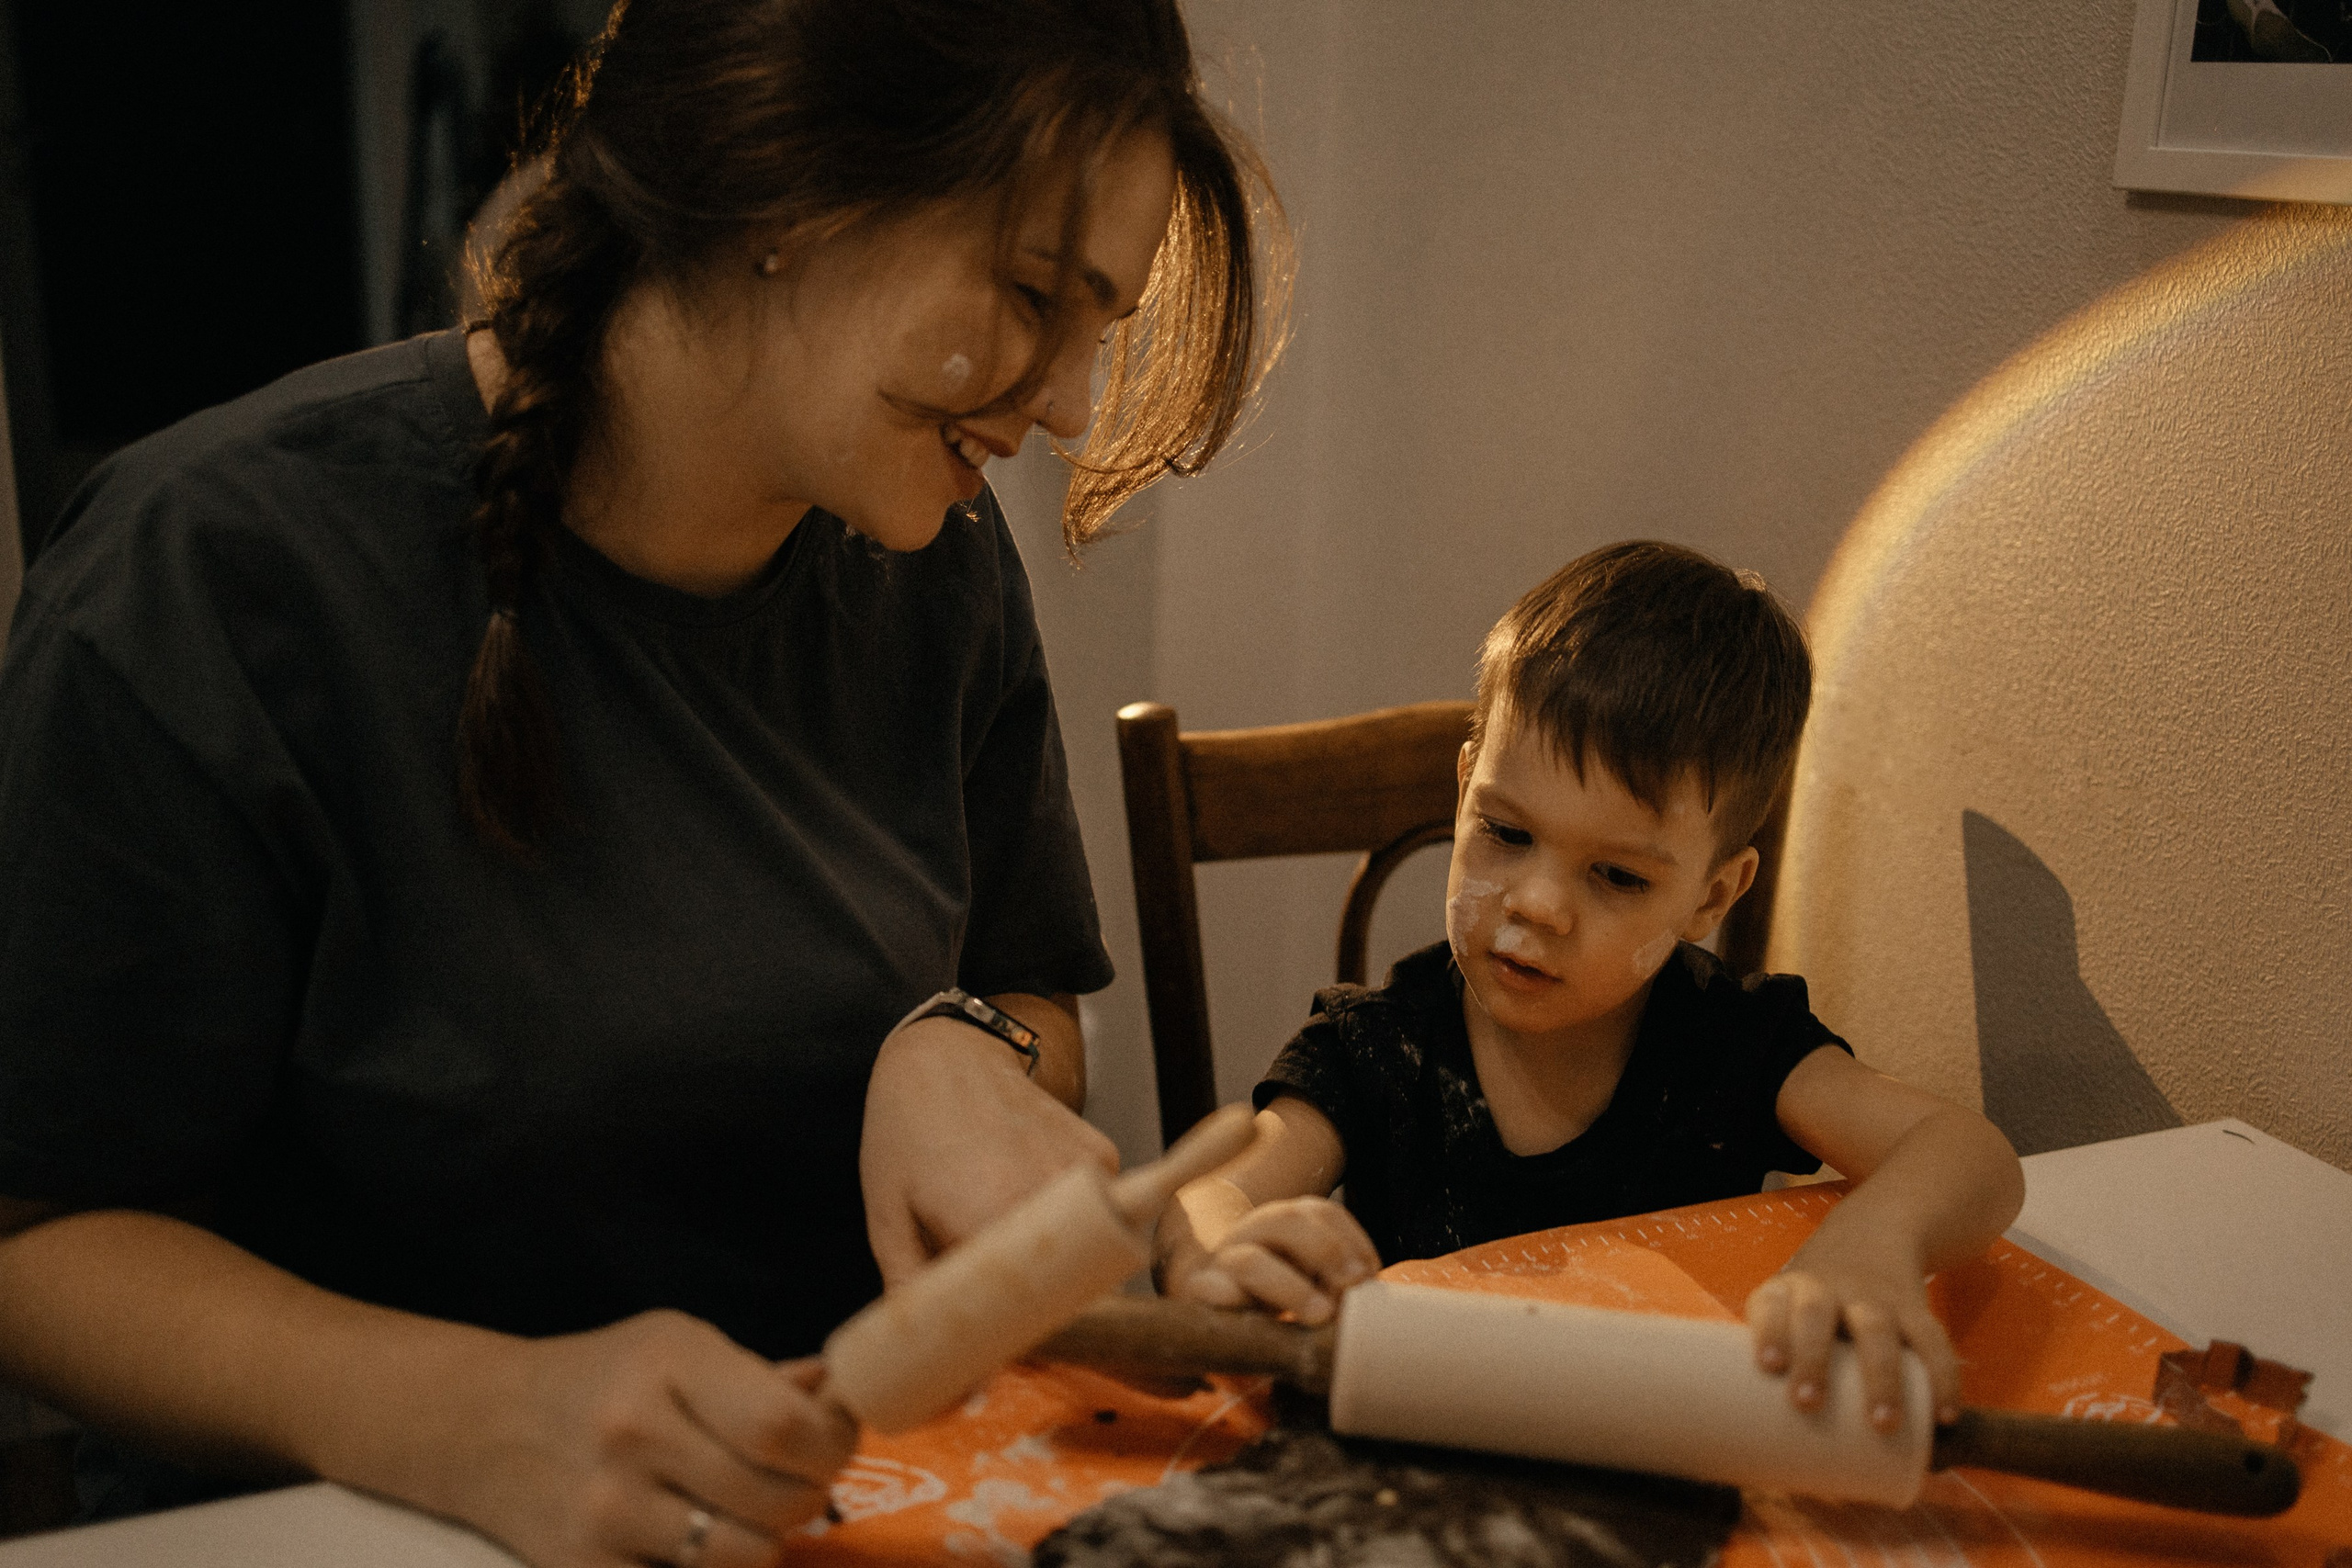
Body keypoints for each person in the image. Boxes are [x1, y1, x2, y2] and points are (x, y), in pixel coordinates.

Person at [0, 2, 1283, 1563]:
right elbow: (36, 1239)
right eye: (1031, 295)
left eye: (1099, 325)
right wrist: (460, 1410)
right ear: (783, 185)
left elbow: (1033, 1000)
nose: (1073, 404)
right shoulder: (209, 577)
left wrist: (961, 1045)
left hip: (835, 1508)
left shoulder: (931, 565)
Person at [1155, 542, 2024, 1435]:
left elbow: (1966, 1151)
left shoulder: (1728, 1043)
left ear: (1712, 896)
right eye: (1504, 831)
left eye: (1614, 877)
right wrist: (1229, 1252)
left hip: (1658, 1446)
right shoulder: (1379, 1046)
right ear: (1463, 792)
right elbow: (1205, 1198)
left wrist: (1868, 1247)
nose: (1536, 904)